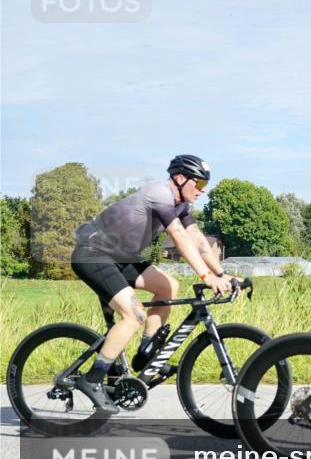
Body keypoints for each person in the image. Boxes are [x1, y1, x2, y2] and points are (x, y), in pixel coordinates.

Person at [70, 155, 234, 413]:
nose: (202, 191)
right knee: (133, 316)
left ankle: (146, 354)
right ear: (180, 179)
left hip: (120, 258)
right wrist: (206, 277)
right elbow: (178, 236)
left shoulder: (180, 205)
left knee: (168, 286)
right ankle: (91, 380)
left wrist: (222, 274)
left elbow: (200, 242)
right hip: (93, 254)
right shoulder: (159, 193)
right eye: (199, 184)